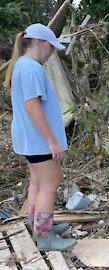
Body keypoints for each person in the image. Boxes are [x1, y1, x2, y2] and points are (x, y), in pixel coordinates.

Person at [3, 23, 76, 251]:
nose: (52, 52)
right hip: (39, 140)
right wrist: (53, 140)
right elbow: (33, 107)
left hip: (28, 139)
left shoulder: (21, 65)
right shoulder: (32, 68)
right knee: (50, 185)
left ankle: (39, 227)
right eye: (50, 46)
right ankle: (45, 239)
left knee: (37, 182)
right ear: (38, 43)